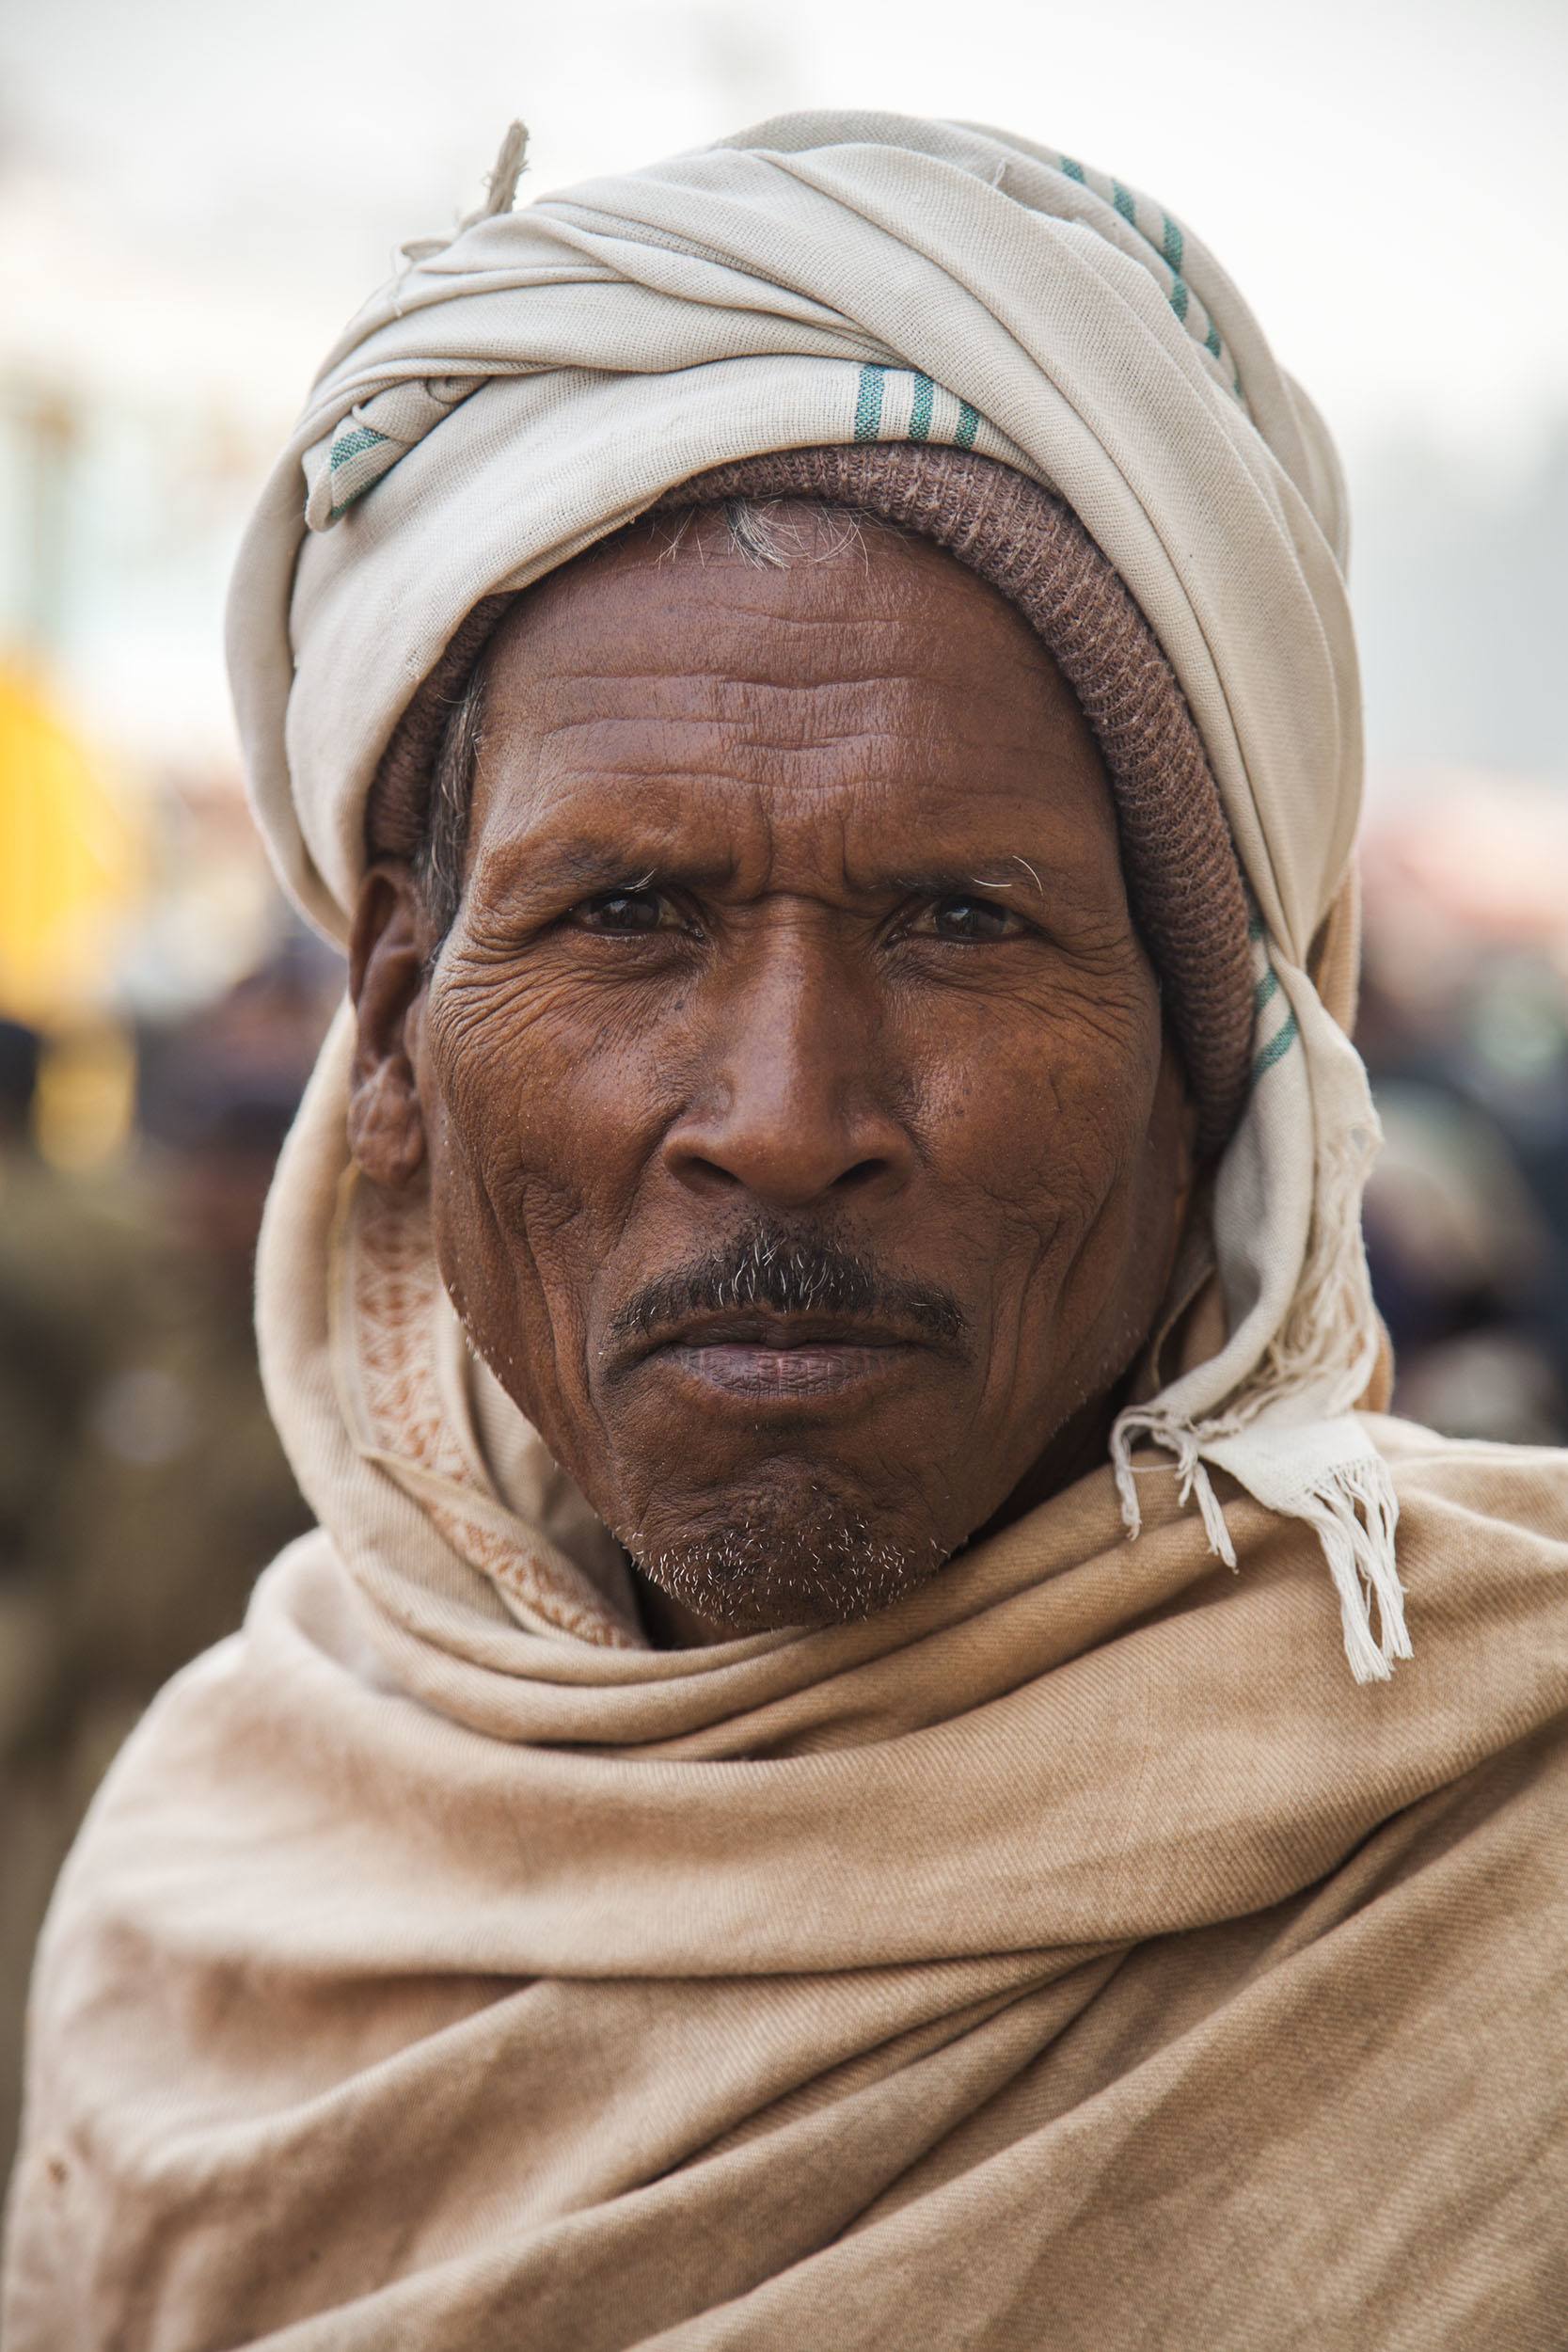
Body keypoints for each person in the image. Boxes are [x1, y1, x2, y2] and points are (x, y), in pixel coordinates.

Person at [5, 114, 1566, 2351]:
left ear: (1210, 1057)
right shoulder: (216, 1894)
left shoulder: (1503, 1843)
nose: (785, 1116)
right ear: (390, 1047)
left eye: (960, 919)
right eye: (629, 914)